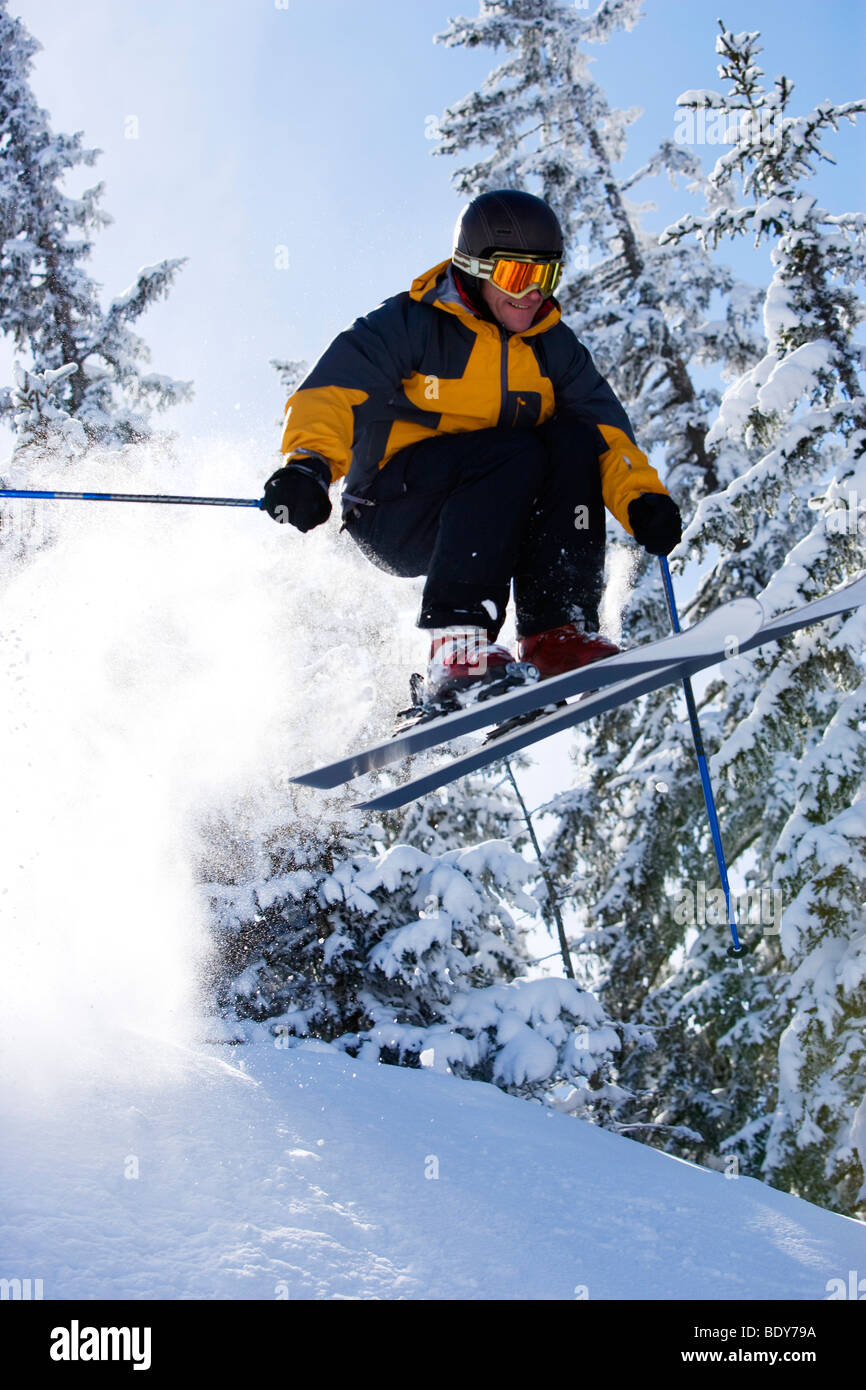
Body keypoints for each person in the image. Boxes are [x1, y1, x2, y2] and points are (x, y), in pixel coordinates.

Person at [262, 189, 681, 702]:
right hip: (394, 512)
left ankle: (555, 633)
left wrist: (641, 499)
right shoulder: (413, 322)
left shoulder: (555, 350)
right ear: (475, 266)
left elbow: (606, 434)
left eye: (545, 276)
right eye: (516, 276)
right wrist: (309, 466)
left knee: (572, 440)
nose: (531, 294)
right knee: (513, 451)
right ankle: (458, 646)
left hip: (491, 519)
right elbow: (334, 392)